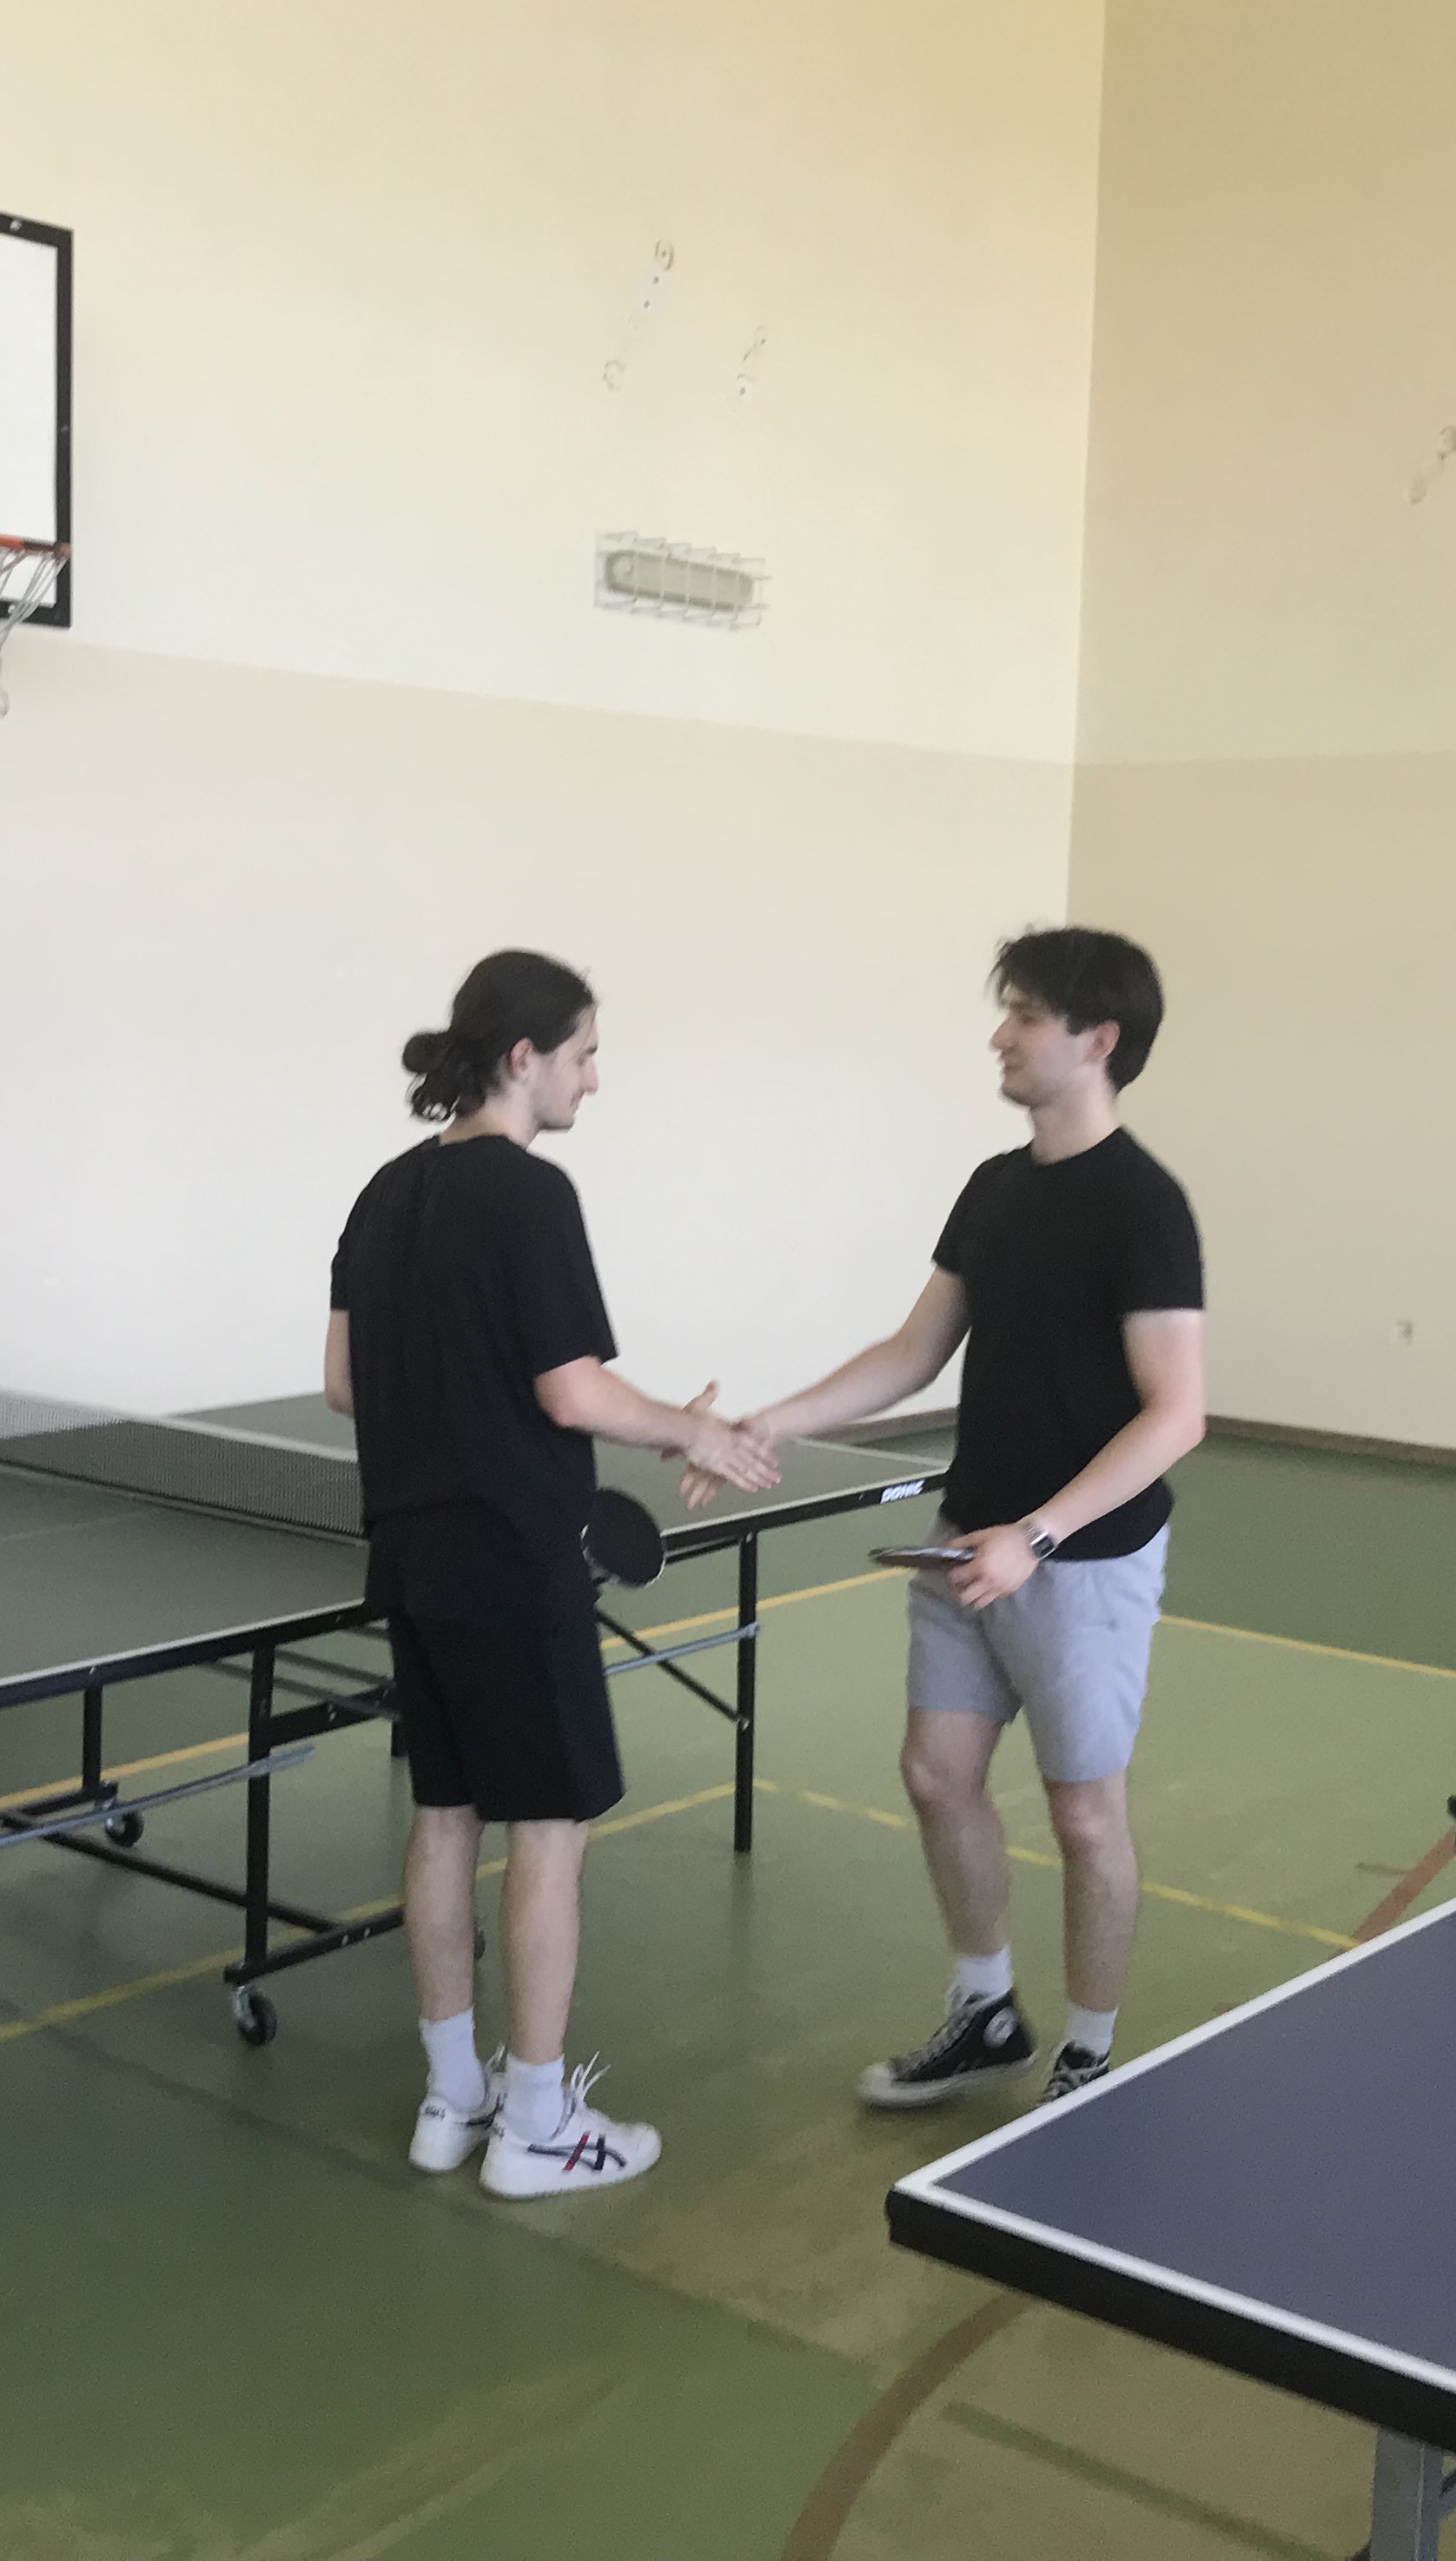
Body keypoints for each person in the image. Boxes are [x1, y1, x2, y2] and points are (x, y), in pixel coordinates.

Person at [326, 951, 780, 2199]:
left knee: (443, 1817)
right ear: (522, 1058)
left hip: (410, 1555)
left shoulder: (383, 1194)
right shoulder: (530, 1195)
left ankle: (451, 2100)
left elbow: (346, 1383)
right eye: (584, 1053)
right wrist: (692, 1431)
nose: (594, 1077)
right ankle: (534, 2126)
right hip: (514, 1559)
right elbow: (571, 1391)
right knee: (548, 1830)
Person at [731, 928, 1201, 2108]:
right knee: (938, 1774)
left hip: (1078, 1560)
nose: (1000, 1035)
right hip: (964, 1542)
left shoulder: (1145, 1206)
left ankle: (1087, 2054)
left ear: (1097, 1040)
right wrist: (771, 1420)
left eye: (1026, 1015)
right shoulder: (995, 1188)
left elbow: (1177, 1414)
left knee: (1083, 1816)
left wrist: (1037, 1535)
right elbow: (912, 1351)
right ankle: (985, 2011)